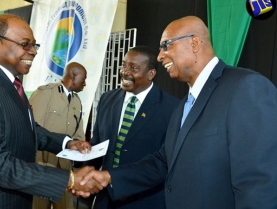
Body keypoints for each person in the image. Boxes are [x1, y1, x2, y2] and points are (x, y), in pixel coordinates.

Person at [78, 16, 277, 208]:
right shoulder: (182, 106)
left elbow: (260, 182)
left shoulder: (245, 87)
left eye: (166, 45)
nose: (159, 56)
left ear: (195, 43)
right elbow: (163, 161)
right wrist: (109, 177)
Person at [0, 13, 97, 209]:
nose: (33, 52)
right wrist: (68, 179)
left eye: (34, 45)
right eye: (25, 44)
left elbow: (26, 128)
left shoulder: (8, 82)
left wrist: (66, 143)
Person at [85, 46, 179, 209]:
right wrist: (80, 166)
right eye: (124, 65)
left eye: (134, 68)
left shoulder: (172, 109)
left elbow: (165, 162)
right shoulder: (107, 100)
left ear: (151, 74)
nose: (125, 72)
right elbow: (98, 146)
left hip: (145, 201)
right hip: (105, 200)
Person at [29, 62, 87, 209]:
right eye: (83, 79)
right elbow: (32, 129)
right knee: (39, 205)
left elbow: (78, 133)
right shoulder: (45, 93)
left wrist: (83, 149)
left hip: (65, 166)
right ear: (73, 76)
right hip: (43, 163)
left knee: (66, 206)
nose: (85, 83)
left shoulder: (76, 101)